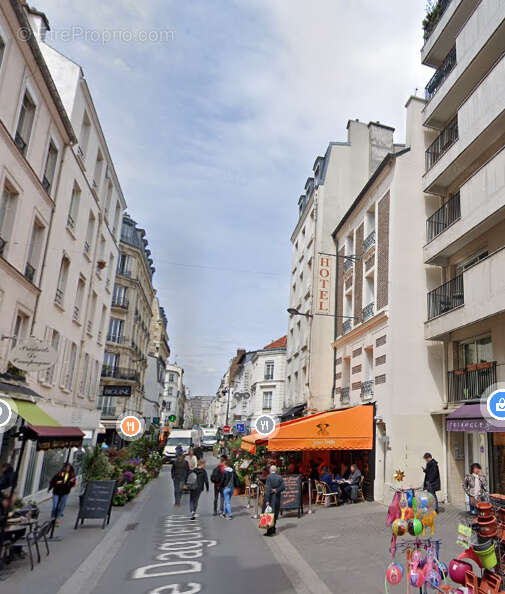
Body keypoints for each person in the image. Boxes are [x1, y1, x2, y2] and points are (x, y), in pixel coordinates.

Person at [263, 465, 286, 536]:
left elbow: (268, 489)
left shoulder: (269, 477)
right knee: (275, 513)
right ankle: (273, 529)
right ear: (276, 470)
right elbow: (283, 487)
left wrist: (267, 499)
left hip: (270, 498)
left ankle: (269, 531)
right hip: (277, 498)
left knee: (268, 513)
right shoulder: (279, 477)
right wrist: (276, 490)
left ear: (270, 470)